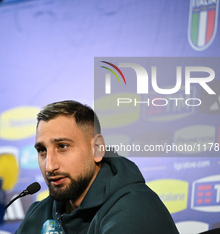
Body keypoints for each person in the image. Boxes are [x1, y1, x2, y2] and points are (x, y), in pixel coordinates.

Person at [15, 100, 179, 234]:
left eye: (63, 146)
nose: (49, 166)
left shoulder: (136, 209)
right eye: (42, 151)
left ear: (98, 148)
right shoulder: (39, 213)